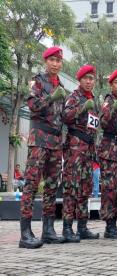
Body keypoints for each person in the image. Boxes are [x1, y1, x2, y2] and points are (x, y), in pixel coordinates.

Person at [19, 46, 66, 248]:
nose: (55, 63)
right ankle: (25, 233)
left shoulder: (62, 85)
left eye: (58, 60)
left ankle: (48, 230)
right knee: (31, 183)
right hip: (39, 137)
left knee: (51, 186)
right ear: (46, 61)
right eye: (52, 60)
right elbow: (32, 105)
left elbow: (62, 116)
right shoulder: (38, 81)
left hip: (55, 141)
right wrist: (50, 97)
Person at [62, 64, 100, 242]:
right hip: (75, 148)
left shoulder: (93, 99)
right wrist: (82, 109)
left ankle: (82, 227)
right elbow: (66, 116)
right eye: (86, 78)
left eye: (91, 78)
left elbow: (94, 126)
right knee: (71, 187)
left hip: (88, 149)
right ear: (80, 79)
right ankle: (67, 228)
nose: (89, 81)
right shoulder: (74, 97)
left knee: (85, 188)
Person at [98, 69, 117, 238]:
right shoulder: (108, 101)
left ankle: (115, 222)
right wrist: (113, 109)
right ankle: (109, 225)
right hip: (110, 150)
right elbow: (103, 122)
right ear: (111, 85)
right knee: (109, 188)